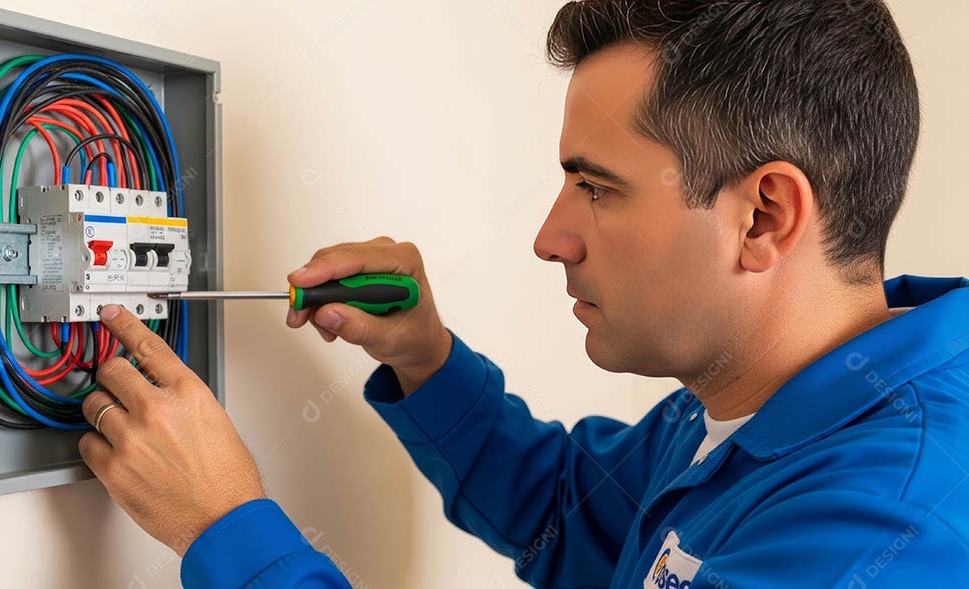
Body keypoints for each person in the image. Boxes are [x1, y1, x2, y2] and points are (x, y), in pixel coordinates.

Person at [77, 1, 969, 587]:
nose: (551, 239)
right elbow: (571, 516)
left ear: (763, 216)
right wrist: (425, 359)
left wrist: (228, 529)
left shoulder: (880, 532)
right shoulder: (743, 404)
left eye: (598, 187)